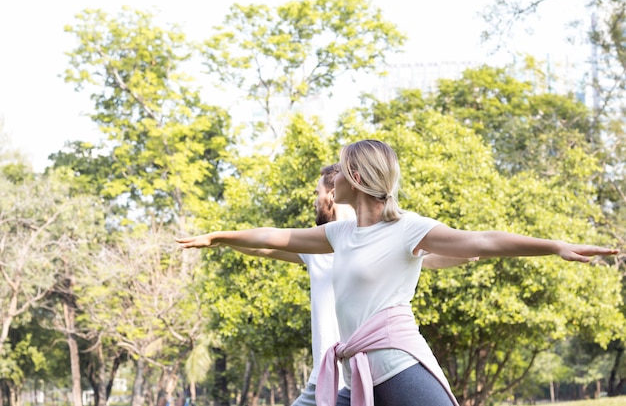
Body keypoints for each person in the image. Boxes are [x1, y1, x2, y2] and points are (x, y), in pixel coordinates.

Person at [177, 140, 618, 406]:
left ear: (354, 176)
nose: (330, 184)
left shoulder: (408, 229)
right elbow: (277, 237)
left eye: (338, 170)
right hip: (355, 375)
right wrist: (221, 237)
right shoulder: (340, 234)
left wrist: (555, 247)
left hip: (397, 367)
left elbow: (483, 241)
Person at [210, 164, 474, 406]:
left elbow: (427, 259)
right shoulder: (320, 244)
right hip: (330, 376)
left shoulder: (381, 240)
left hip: (370, 368)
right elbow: (266, 244)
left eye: (318, 192)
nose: (315, 200)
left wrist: (465, 251)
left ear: (332, 193)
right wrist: (220, 238)